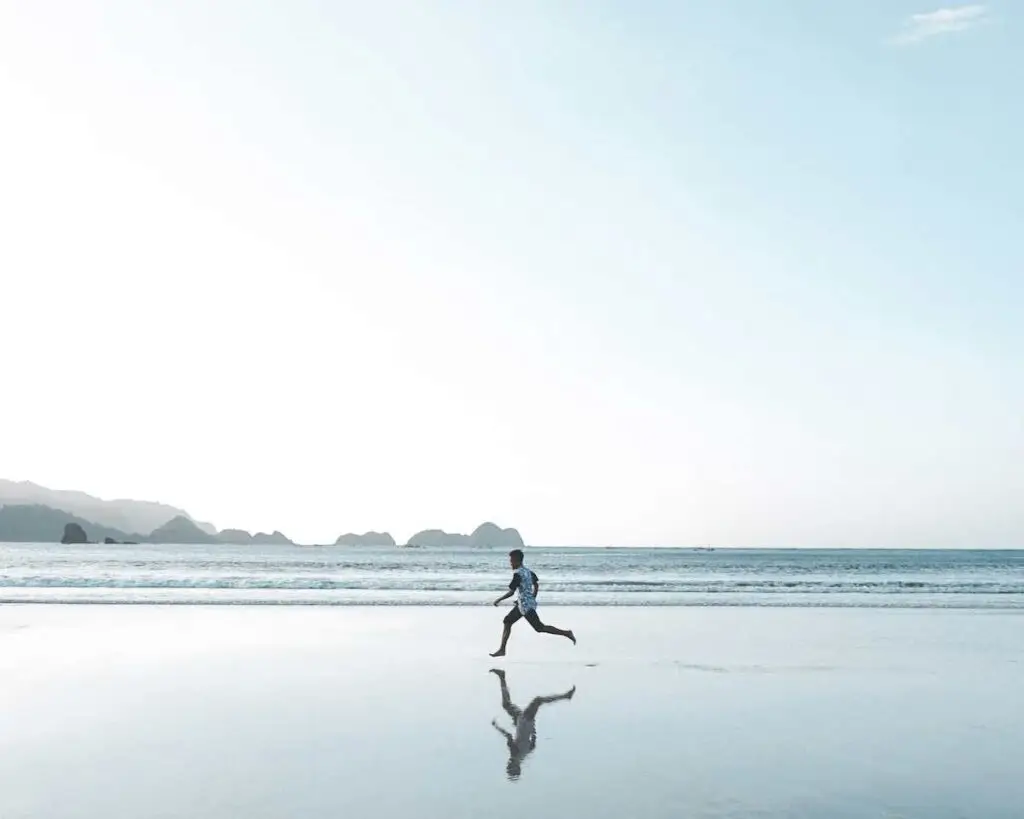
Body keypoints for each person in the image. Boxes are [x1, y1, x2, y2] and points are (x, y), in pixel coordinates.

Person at [489, 668, 575, 780]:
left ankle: (502, 676)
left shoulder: (522, 756)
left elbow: (532, 744)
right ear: (515, 766)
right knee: (537, 700)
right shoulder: (515, 754)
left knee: (506, 704)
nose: (508, 765)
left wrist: (531, 730)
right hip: (524, 720)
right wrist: (497, 727)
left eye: (508, 767)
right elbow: (509, 736)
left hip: (523, 722)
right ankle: (566, 696)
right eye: (510, 767)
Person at [490, 548, 575, 657]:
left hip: (526, 607)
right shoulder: (528, 572)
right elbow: (536, 585)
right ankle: (502, 650)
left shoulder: (517, 574)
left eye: (512, 561)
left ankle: (567, 633)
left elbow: (511, 592)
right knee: (507, 621)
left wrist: (498, 600)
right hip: (523, 605)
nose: (510, 563)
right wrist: (532, 597)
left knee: (540, 628)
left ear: (518, 561)